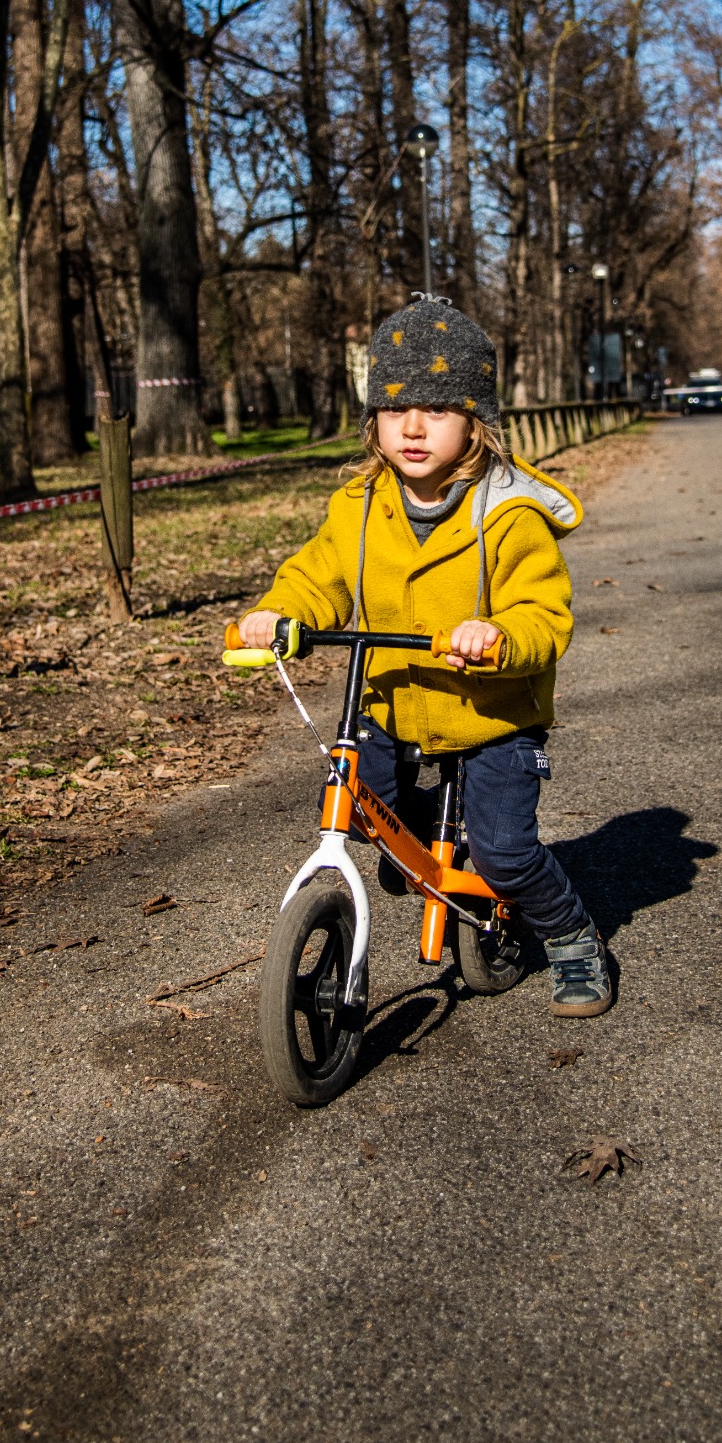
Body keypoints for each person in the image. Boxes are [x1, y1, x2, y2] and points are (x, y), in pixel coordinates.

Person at [239, 293, 611, 1018]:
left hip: (490, 711)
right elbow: (319, 575)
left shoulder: (506, 515)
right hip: (389, 699)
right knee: (368, 813)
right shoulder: (357, 505)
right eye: (393, 408)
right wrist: (281, 613)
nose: (411, 427)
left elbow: (543, 614)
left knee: (503, 853)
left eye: (437, 409)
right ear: (371, 419)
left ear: (474, 422)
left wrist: (497, 635)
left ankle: (570, 935)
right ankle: (416, 852)